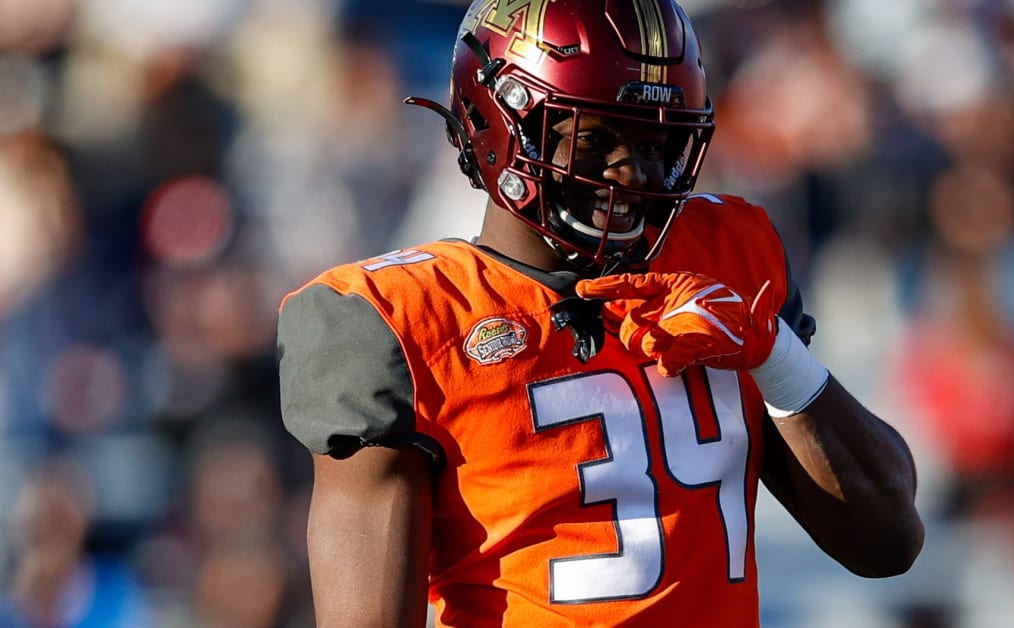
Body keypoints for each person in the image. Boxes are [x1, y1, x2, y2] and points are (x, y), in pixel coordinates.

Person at [277, 0, 925, 626]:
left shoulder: (728, 258)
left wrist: (777, 354)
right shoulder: (402, 319)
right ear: (499, 121)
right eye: (596, 137)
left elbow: (888, 541)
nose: (631, 170)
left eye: (655, 141)